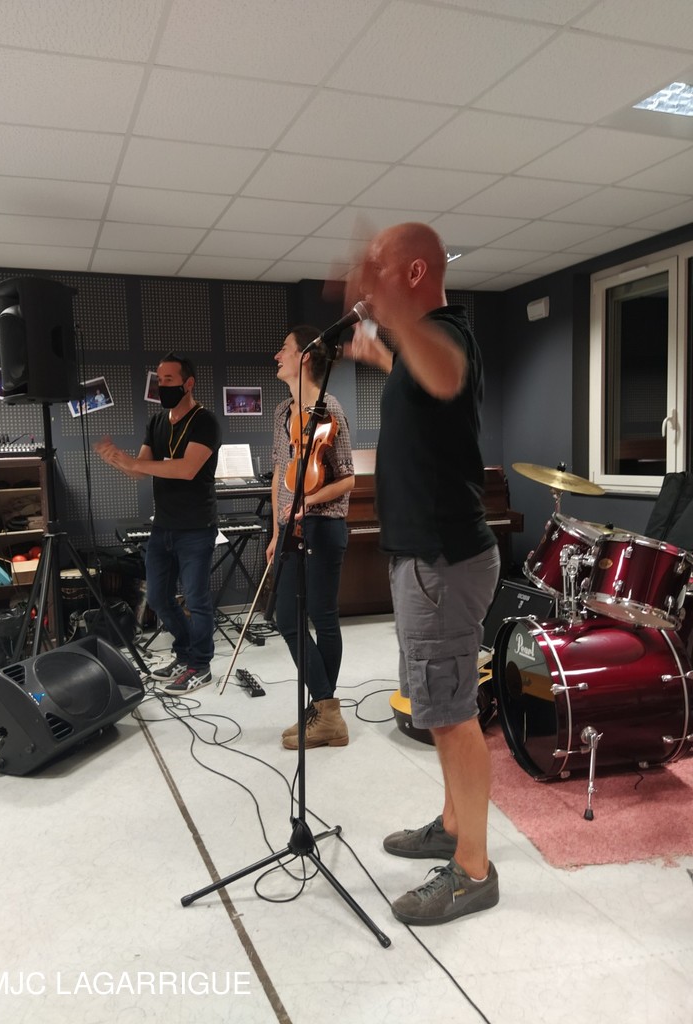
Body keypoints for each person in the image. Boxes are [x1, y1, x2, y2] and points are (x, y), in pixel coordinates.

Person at [347, 222, 501, 925]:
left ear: (414, 274)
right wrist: (383, 353)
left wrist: (396, 322)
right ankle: (452, 823)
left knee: (452, 716)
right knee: (438, 711)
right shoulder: (424, 345)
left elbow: (441, 373)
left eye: (382, 268)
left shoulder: (446, 334)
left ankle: (473, 871)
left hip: (442, 561)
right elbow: (425, 392)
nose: (371, 282)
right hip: (426, 559)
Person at [94, 354, 221, 694]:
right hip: (163, 526)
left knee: (196, 600)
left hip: (196, 527)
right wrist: (116, 459)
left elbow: (187, 469)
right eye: (159, 380)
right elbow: (139, 469)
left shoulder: (205, 421)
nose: (161, 386)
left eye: (168, 380)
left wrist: (133, 462)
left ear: (188, 383)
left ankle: (201, 665)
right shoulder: (157, 422)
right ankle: (184, 653)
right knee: (159, 598)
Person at [266, 325, 355, 749]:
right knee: (286, 618)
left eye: (284, 348)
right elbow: (278, 477)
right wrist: (275, 530)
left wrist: (310, 500)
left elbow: (348, 479)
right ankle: (326, 709)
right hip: (290, 527)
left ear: (304, 357)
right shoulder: (282, 412)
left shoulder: (330, 408)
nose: (277, 355)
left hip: (323, 524)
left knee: (322, 617)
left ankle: (323, 713)